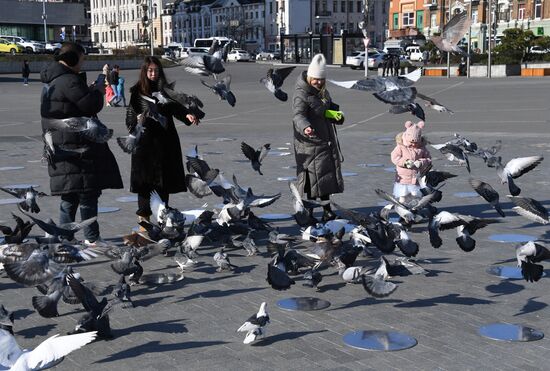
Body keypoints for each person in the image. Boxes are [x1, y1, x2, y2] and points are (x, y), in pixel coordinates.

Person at [40, 42, 123, 247]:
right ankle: (92, 237)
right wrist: (98, 91)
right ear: (72, 59)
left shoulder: (53, 80)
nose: (82, 63)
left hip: (62, 145)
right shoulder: (68, 81)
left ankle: (65, 237)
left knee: (70, 196)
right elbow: (90, 105)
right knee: (88, 193)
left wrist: (91, 86)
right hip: (78, 147)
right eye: (82, 59)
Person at [125, 56, 199, 228]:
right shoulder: (137, 93)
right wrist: (136, 120)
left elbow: (175, 108)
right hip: (145, 144)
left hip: (166, 143)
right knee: (145, 184)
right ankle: (144, 223)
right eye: (150, 70)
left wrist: (187, 115)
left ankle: (163, 219)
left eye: (156, 70)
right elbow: (129, 120)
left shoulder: (164, 91)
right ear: (144, 72)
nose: (153, 73)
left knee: (163, 183)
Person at [292, 53, 344, 223]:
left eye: (321, 79)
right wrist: (306, 127)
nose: (319, 82)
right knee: (311, 181)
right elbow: (298, 115)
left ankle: (327, 211)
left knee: (324, 179)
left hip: (324, 141)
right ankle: (308, 214)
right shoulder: (301, 94)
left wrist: (337, 115)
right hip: (308, 143)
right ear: (309, 76)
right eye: (315, 79)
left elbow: (327, 109)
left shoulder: (323, 92)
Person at [390, 120, 432, 203]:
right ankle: (402, 211)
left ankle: (413, 211)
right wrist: (405, 162)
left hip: (416, 178)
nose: (413, 144)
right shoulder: (401, 147)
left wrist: (421, 162)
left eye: (416, 142)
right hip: (403, 178)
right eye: (411, 142)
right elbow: (394, 157)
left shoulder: (422, 148)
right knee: (403, 196)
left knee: (415, 196)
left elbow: (429, 159)